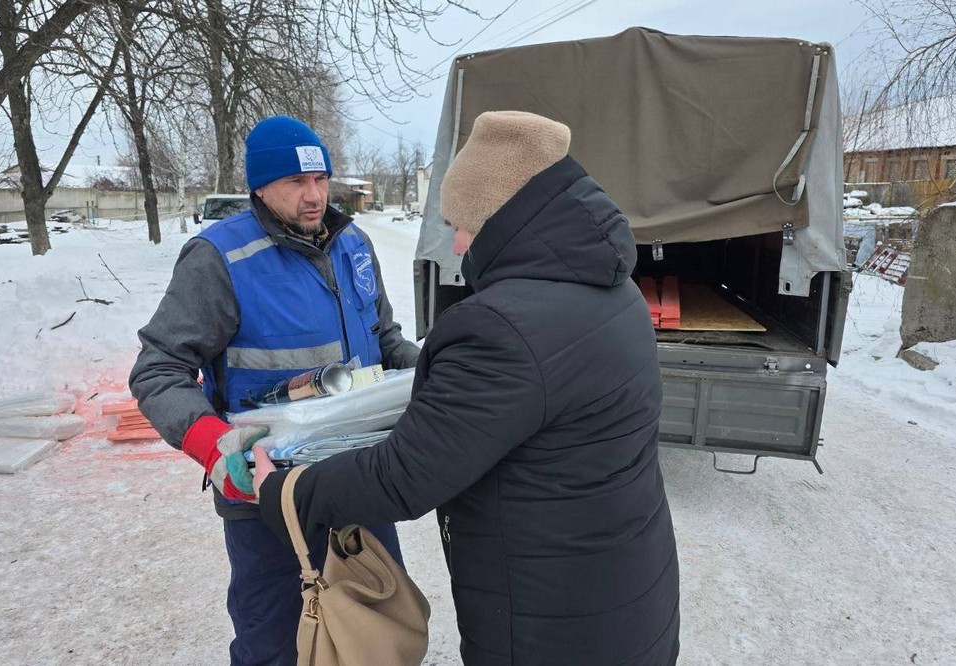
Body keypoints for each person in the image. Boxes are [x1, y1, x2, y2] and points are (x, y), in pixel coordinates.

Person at [254, 110, 680, 665]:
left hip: (549, 622)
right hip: (624, 588)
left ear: (510, 218)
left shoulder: (500, 328)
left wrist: (286, 490)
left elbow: (406, 475)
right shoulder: (615, 290)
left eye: (469, 223)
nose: (457, 243)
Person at [129, 115, 420, 665]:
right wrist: (217, 448)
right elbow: (158, 368)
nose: (313, 197)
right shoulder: (220, 258)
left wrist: (434, 372)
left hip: (359, 474)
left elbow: (383, 339)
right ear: (260, 186)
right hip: (268, 489)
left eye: (321, 180)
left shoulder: (352, 244)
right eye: (295, 183)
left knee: (375, 626)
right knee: (276, 641)